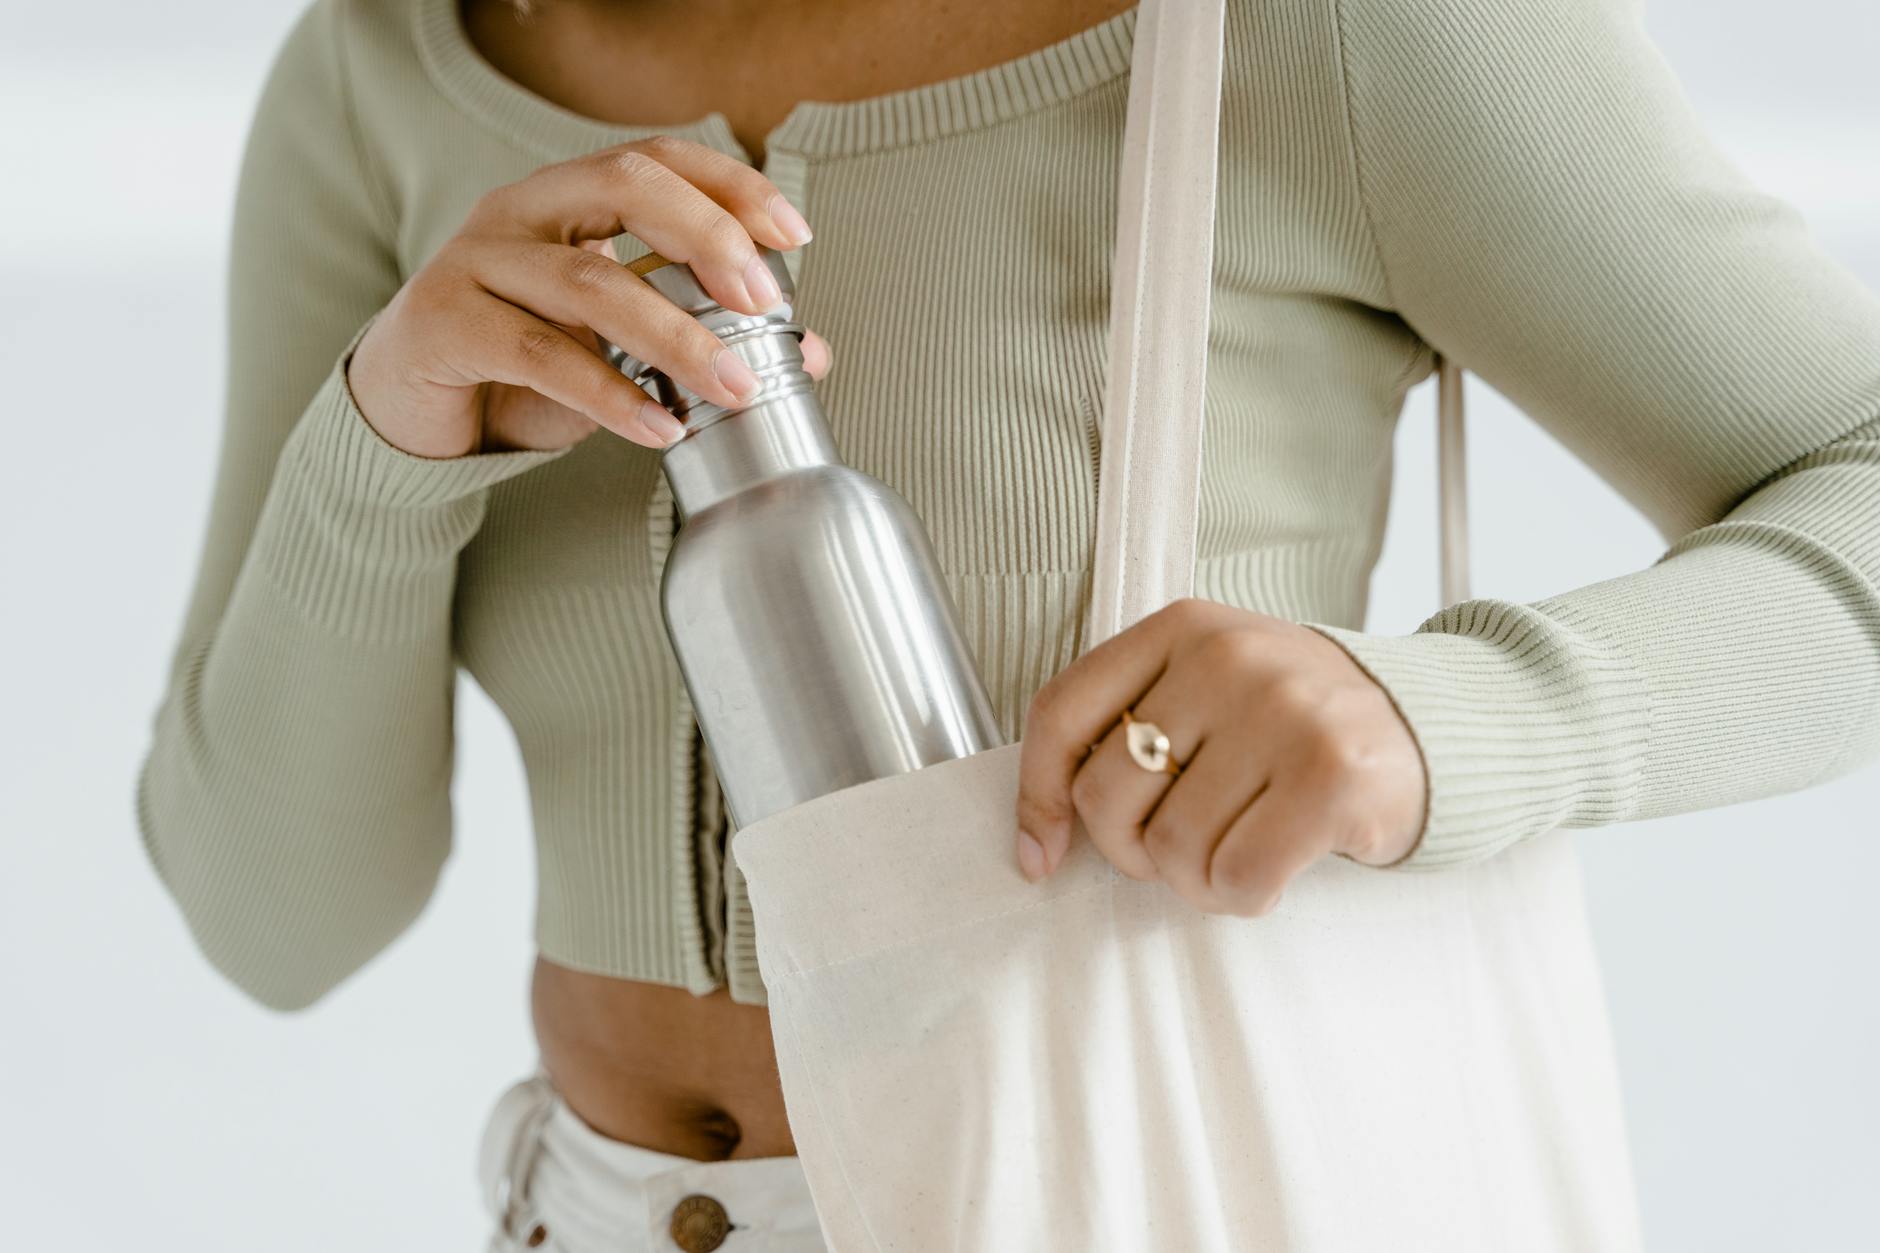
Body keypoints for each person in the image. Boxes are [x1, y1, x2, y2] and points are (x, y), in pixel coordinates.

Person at [136, 0, 1880, 1247]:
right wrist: (381, 443)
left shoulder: (1341, 26)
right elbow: (273, 919)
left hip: (1152, 1197)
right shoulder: (375, 72)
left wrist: (1446, 721)